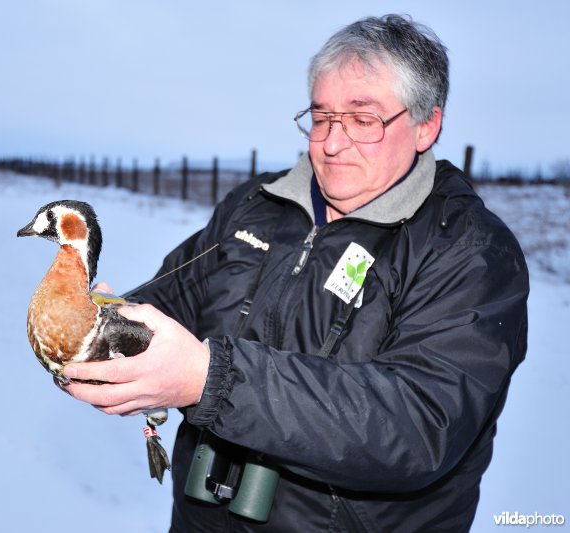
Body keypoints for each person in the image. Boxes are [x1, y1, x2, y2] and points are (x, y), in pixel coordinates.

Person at [63, 14, 529, 532]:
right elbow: (173, 297)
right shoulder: (256, 208)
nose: (331, 143)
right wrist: (104, 328)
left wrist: (208, 379)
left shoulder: (470, 252)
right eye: (323, 116)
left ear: (426, 125)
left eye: (363, 119)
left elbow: (418, 424)